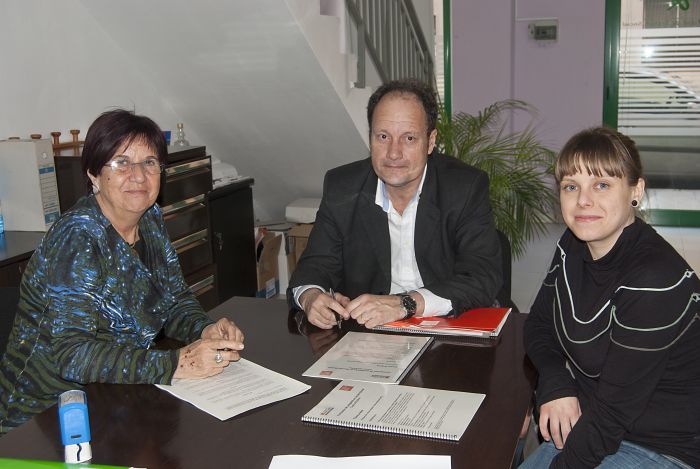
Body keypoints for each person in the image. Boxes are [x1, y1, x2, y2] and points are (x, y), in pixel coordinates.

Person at [0, 109, 244, 434]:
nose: (139, 176)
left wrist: (205, 329)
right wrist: (177, 363)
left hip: (115, 398)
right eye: (121, 163)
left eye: (149, 162)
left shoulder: (150, 219)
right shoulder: (77, 238)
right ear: (93, 174)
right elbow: (72, 355)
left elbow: (173, 300)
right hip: (44, 417)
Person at [521, 127, 700, 468]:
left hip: (663, 447)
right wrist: (556, 382)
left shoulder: (654, 280)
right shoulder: (574, 243)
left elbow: (613, 415)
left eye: (601, 185)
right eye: (571, 186)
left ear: (636, 191)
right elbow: (539, 324)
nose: (583, 201)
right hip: (597, 425)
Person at [288, 78, 502, 330]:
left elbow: (482, 276)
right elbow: (315, 265)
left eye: (409, 138)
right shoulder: (342, 186)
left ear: (431, 141)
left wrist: (405, 304)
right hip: (369, 334)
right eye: (383, 136)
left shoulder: (464, 188)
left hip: (447, 328)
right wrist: (311, 296)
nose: (393, 153)